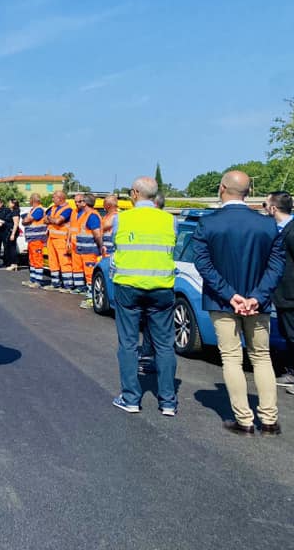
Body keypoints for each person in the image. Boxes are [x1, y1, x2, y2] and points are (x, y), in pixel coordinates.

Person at [192, 171, 285, 434]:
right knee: (261, 357)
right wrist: (257, 296)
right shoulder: (267, 225)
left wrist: (229, 294)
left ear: (222, 188)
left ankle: (244, 420)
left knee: (232, 358)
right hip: (259, 303)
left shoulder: (208, 224)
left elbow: (203, 264)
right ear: (248, 191)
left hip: (222, 303)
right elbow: (277, 265)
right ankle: (269, 419)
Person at [109, 177, 178, 415]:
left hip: (128, 288)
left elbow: (115, 247)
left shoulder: (122, 219)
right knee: (164, 345)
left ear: (136, 193)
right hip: (161, 289)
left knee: (128, 343)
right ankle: (168, 401)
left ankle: (130, 398)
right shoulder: (171, 221)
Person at [266, 192, 294, 395]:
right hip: (279, 293)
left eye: (266, 204)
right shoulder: (277, 230)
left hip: (291, 293)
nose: (265, 208)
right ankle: (292, 372)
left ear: (273, 208)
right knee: (287, 333)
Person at [70, 192, 103, 296]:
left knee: (89, 273)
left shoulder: (92, 216)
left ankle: (91, 296)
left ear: (85, 203)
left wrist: (101, 248)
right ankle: (81, 288)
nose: (78, 203)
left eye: (80, 201)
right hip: (82, 249)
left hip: (89, 251)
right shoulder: (85, 215)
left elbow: (97, 235)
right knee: (79, 270)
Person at [45, 190, 74, 292]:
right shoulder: (53, 208)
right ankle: (55, 283)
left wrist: (51, 219)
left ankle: (68, 285)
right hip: (51, 238)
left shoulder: (68, 209)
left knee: (64, 262)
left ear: (60, 198)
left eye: (54, 197)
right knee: (53, 262)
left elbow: (58, 221)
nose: (52, 199)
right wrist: (52, 219)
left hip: (62, 239)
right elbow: (45, 219)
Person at [21, 193, 48, 288]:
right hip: (32, 239)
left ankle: (38, 281)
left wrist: (25, 220)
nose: (29, 201)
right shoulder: (33, 210)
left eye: (30, 199)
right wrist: (25, 220)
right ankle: (33, 279)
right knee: (32, 260)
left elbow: (27, 220)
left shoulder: (39, 210)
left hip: (37, 239)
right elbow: (25, 221)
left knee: (37, 259)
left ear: (33, 200)